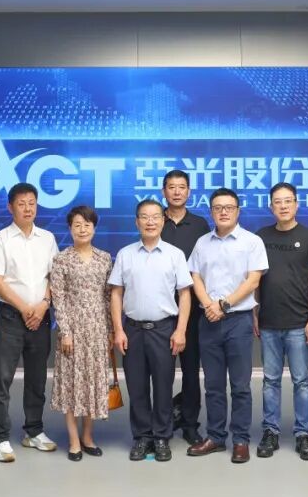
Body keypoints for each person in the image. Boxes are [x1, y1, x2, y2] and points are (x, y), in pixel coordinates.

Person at [186, 188, 268, 464]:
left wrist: (223, 305)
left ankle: (241, 440)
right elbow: (195, 276)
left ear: (238, 210)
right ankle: (216, 437)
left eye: (229, 207)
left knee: (240, 385)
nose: (223, 212)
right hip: (208, 321)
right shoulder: (202, 243)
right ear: (211, 211)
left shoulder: (252, 241)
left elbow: (253, 280)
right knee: (213, 385)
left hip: (238, 321)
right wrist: (209, 305)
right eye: (218, 207)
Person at [110, 200, 192, 462]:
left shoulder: (175, 254)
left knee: (163, 386)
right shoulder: (125, 254)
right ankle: (142, 437)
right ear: (137, 222)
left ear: (163, 221)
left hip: (164, 329)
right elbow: (116, 293)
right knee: (137, 387)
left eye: (155, 216)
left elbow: (185, 294)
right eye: (144, 217)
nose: (150, 222)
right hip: (133, 330)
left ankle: (161, 436)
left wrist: (180, 330)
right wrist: (118, 330)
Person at [0, 182, 60, 462]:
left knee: (37, 378)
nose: (27, 208)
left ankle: (34, 431)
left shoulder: (47, 238)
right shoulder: (0, 239)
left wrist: (43, 305)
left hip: (41, 317)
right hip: (11, 317)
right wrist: (25, 308)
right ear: (10, 207)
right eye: (21, 204)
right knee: (2, 379)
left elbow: (55, 276)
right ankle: (0, 437)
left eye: (32, 203)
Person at [255, 183, 308, 461]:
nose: (283, 206)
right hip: (269, 323)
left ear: (296, 204)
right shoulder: (261, 237)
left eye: (288, 201)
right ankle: (270, 431)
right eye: (277, 202)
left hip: (299, 323)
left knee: (301, 381)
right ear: (270, 206)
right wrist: (255, 312)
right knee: (270, 381)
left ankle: (303, 434)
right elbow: (255, 279)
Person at [50, 205, 113, 462]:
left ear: (94, 228)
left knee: (92, 383)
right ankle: (73, 440)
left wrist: (110, 330)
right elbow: (58, 298)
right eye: (77, 225)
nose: (82, 229)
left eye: (87, 224)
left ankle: (87, 436)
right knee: (71, 384)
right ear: (70, 228)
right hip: (72, 331)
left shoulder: (104, 258)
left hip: (97, 329)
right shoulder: (61, 259)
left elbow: (108, 297)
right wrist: (65, 331)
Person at [160, 169, 210, 446]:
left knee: (191, 371)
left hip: (193, 310)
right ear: (164, 191)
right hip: (161, 310)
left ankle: (190, 423)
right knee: (163, 373)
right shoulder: (155, 220)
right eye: (172, 187)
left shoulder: (200, 225)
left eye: (182, 187)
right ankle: (163, 423)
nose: (177, 191)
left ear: (189, 191)